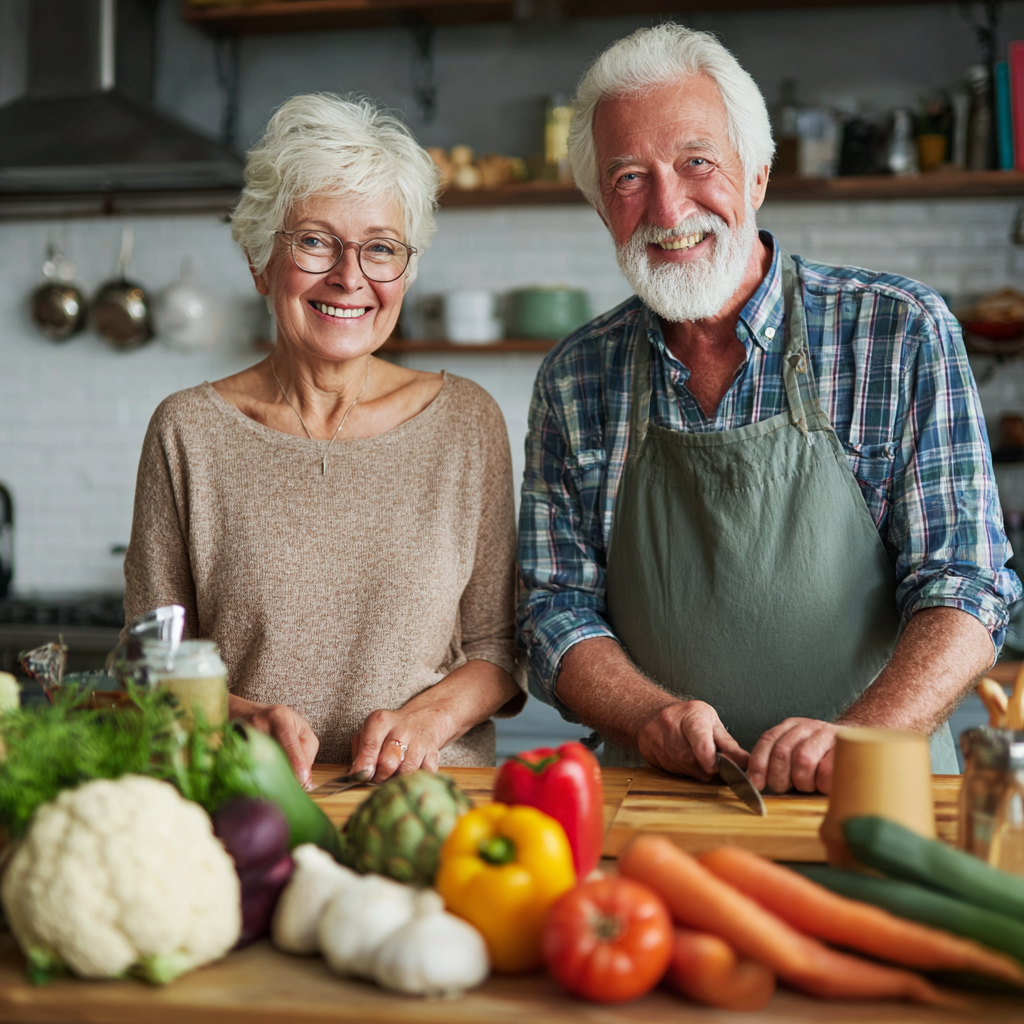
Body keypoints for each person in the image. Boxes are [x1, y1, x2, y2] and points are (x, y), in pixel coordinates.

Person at [517, 25, 1020, 793]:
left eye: (697, 163)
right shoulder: (575, 377)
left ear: (756, 174)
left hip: (876, 797)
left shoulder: (896, 331)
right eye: (627, 177)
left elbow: (967, 585)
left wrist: (862, 738)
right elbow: (555, 609)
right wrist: (650, 714)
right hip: (657, 799)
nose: (668, 205)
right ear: (598, 205)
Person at [124, 94, 523, 788]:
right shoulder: (187, 431)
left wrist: (427, 721)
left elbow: (497, 647)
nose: (350, 276)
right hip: (251, 803)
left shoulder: (466, 422)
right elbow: (149, 662)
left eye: (381, 249)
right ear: (258, 261)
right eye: (314, 240)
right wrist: (233, 716)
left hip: (429, 812)